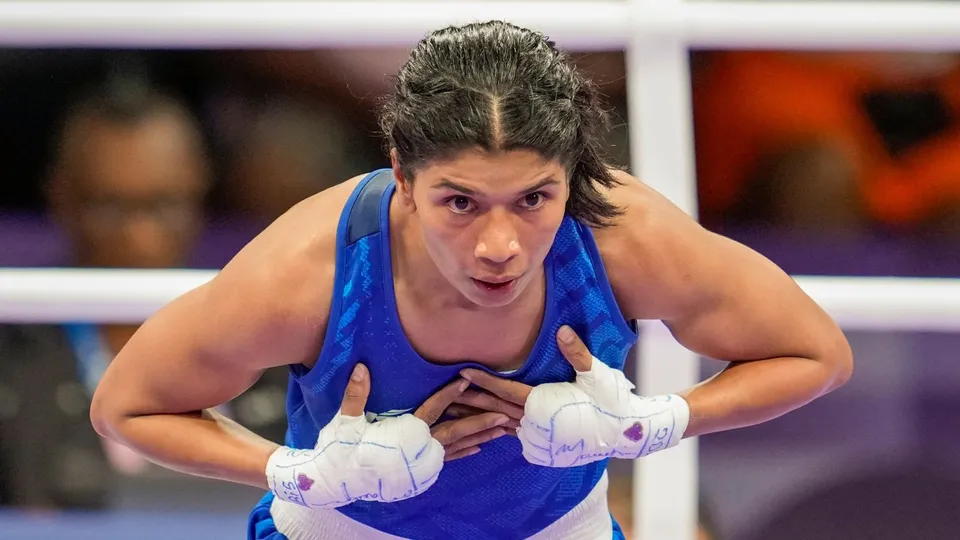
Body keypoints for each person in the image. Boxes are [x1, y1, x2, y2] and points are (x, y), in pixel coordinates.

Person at [90, 21, 853, 540]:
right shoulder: (312, 269)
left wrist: (650, 424)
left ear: (573, 177)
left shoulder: (623, 237)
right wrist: (294, 470)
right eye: (460, 202)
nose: (500, 245)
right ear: (403, 177)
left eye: (533, 200)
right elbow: (127, 405)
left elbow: (817, 355)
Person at [0, 77, 210, 509]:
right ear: (61, 197)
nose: (140, 236)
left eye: (164, 205)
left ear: (200, 188)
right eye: (109, 206)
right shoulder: (10, 354)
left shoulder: (274, 347)